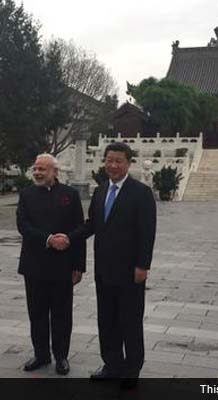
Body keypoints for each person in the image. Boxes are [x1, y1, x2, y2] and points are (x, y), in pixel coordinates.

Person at [63, 142, 157, 388]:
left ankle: (131, 370)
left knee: (130, 322)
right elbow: (92, 224)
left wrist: (142, 266)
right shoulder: (101, 190)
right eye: (109, 160)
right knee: (107, 320)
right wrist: (68, 238)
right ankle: (112, 365)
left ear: (129, 163)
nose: (113, 165)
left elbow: (147, 233)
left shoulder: (141, 193)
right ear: (104, 162)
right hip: (104, 270)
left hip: (130, 271)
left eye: (119, 161)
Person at [16, 154, 86, 376]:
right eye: (35, 168)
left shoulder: (70, 195)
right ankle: (41, 354)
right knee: (36, 313)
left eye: (42, 169)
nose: (37, 172)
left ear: (55, 172)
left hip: (63, 266)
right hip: (34, 265)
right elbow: (23, 226)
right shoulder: (26, 195)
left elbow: (79, 230)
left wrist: (79, 265)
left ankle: (61, 356)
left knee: (62, 314)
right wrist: (49, 239)